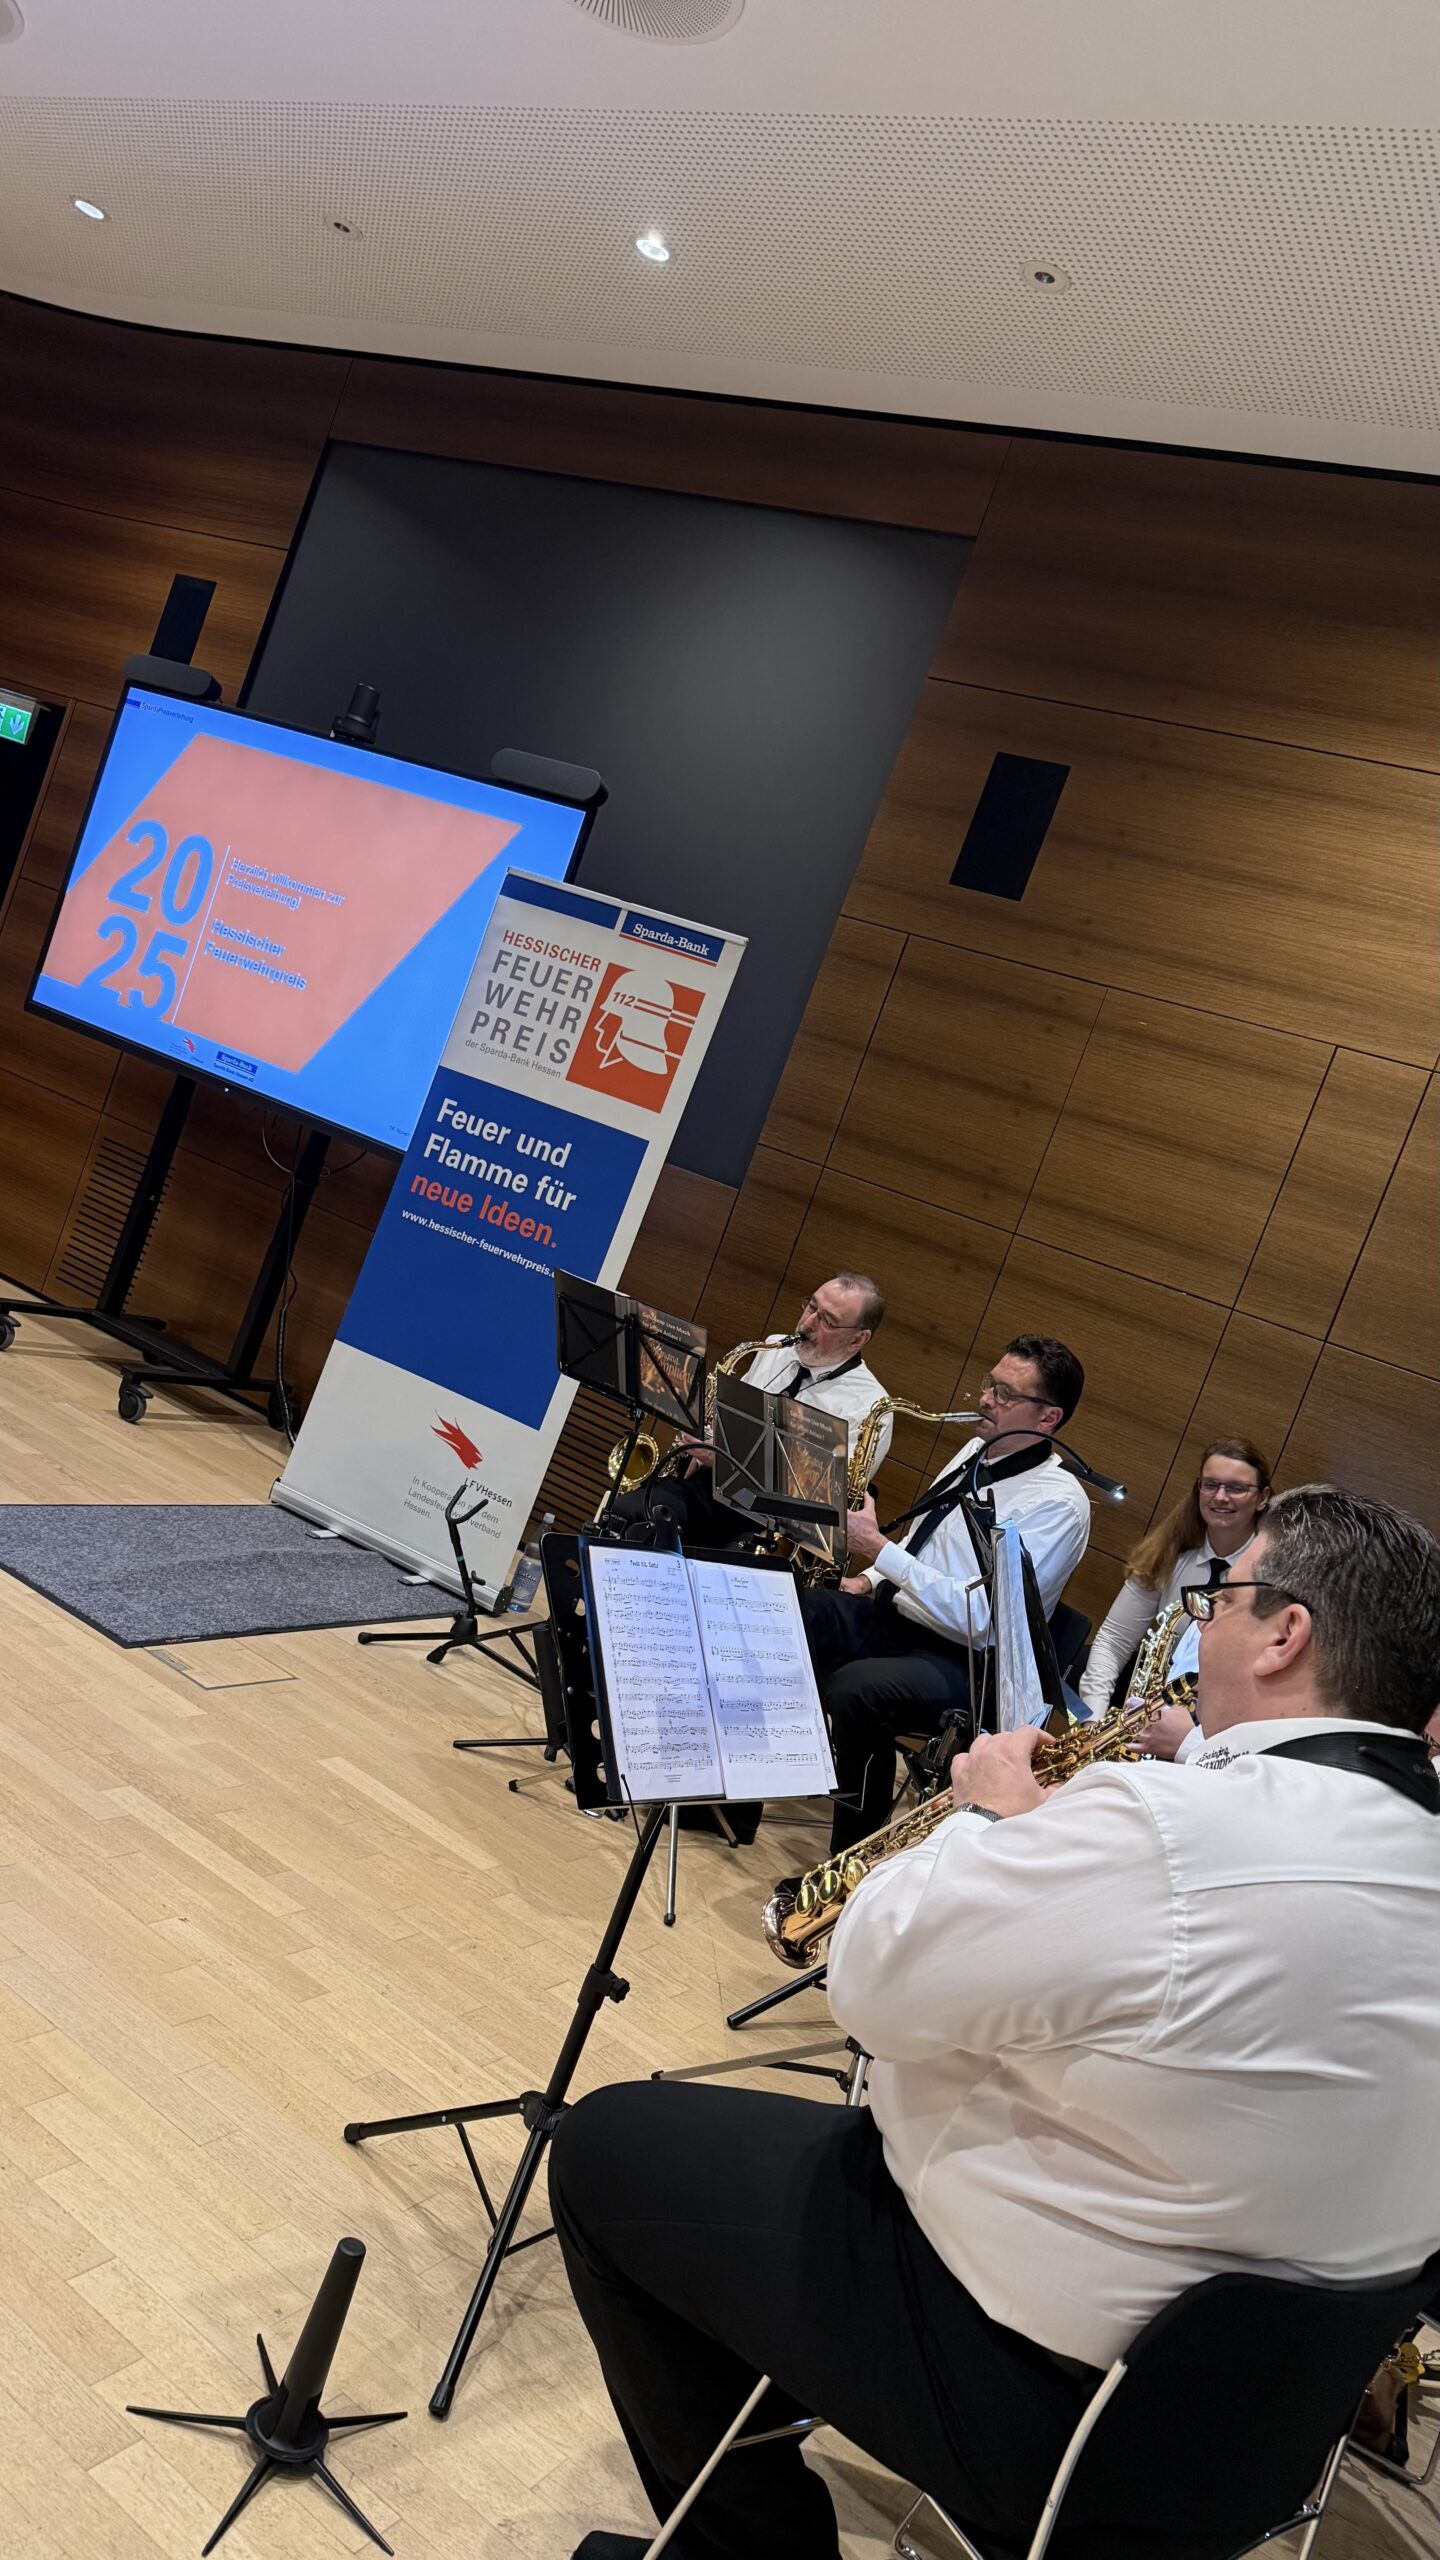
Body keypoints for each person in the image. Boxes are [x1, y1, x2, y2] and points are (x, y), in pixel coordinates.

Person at [549, 1484, 1440, 2560]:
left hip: (1045, 2409)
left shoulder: (1169, 1825)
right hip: (1255, 2445)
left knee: (606, 2149)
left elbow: (870, 1985)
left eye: (1219, 1601)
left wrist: (987, 1820)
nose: (1200, 1627)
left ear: (1285, 1635)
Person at [801, 1332, 1090, 1854]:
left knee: (856, 1691)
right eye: (990, 1384)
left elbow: (983, 1618)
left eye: (1005, 1394)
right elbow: (927, 1541)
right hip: (898, 1620)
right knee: (795, 1612)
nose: (986, 1399)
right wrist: (869, 1579)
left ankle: (850, 1863)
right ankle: (735, 1800)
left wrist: (878, 1549)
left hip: (969, 1666)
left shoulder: (1059, 1505)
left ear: (1049, 1418)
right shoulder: (978, 1449)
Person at [610, 1273, 890, 1548]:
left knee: (650, 1525)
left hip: (772, 1525)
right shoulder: (774, 1347)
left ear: (857, 1340)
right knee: (627, 1514)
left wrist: (725, 1460)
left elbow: (826, 1503)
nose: (807, 1324)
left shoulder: (870, 1408)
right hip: (712, 1488)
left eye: (827, 1321)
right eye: (811, 1306)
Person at [1079, 1435, 1272, 1717]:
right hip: (1148, 1713)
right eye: (1211, 1485)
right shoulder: (1167, 1555)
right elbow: (1113, 1641)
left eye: (1236, 1488)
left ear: (1262, 1498)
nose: (1220, 1496)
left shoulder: (1271, 1577)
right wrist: (1092, 1720)